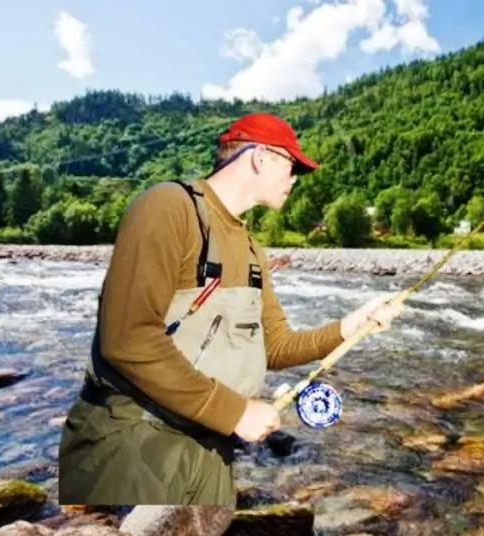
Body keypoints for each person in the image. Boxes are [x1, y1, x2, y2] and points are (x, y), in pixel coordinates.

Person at [57, 111, 405, 507]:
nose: (294, 179)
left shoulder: (252, 249)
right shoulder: (168, 207)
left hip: (207, 449)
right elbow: (127, 338)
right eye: (292, 166)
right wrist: (234, 411)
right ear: (261, 158)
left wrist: (351, 325)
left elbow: (274, 347)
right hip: (132, 440)